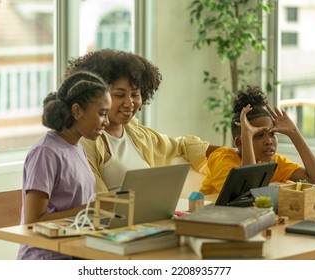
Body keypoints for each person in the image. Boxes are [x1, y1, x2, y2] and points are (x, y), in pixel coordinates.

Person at [65, 49, 217, 193]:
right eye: (119, 95)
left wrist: (234, 152)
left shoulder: (136, 133)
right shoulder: (84, 140)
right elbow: (92, 201)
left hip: (147, 218)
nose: (129, 103)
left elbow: (181, 146)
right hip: (112, 219)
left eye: (135, 95)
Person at [17, 71, 111, 260]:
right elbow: (33, 221)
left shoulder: (78, 149)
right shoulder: (45, 152)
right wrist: (89, 211)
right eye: (102, 114)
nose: (107, 122)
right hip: (47, 258)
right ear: (77, 111)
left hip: (75, 252)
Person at [200, 85, 315, 195]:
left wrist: (294, 133)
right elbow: (246, 193)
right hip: (206, 219)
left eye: (272, 134)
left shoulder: (274, 163)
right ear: (240, 142)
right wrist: (247, 136)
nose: (269, 141)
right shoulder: (222, 159)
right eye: (259, 135)